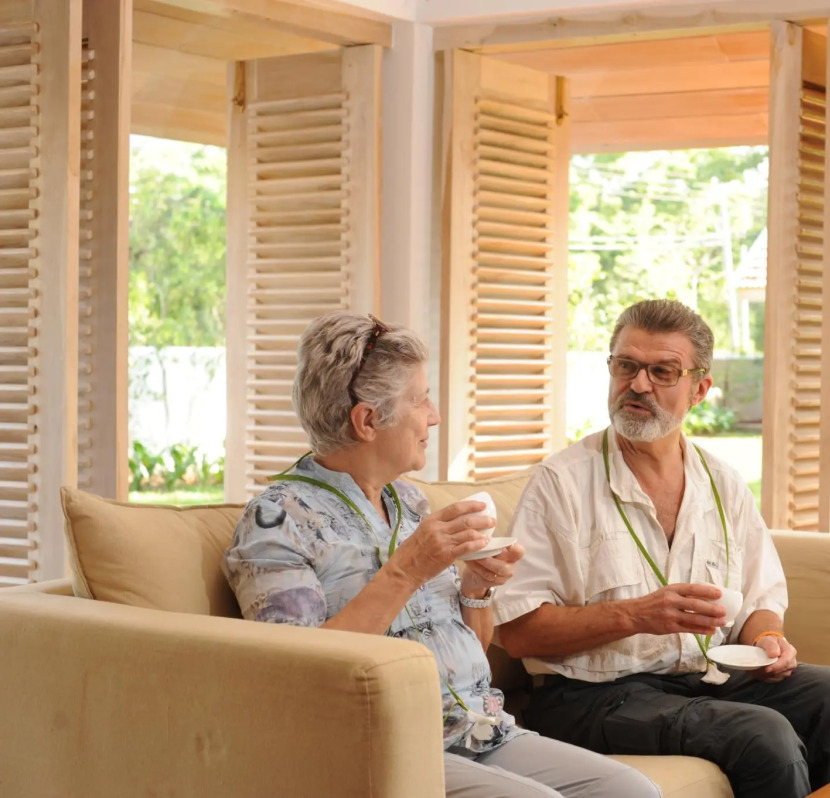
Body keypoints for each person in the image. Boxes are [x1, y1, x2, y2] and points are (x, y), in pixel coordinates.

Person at [223, 312, 660, 798]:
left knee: (631, 792)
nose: (433, 415)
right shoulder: (278, 522)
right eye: (419, 399)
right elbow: (299, 676)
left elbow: (470, 646)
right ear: (367, 420)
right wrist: (409, 568)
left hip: (477, 731)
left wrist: (476, 590)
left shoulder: (407, 503)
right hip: (377, 744)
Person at [495, 299, 830, 797]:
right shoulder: (561, 483)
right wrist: (636, 616)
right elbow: (520, 633)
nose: (637, 384)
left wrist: (767, 641)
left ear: (699, 389)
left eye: (662, 371)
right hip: (590, 695)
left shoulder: (722, 482)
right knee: (763, 736)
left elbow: (761, 598)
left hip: (705, 676)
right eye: (626, 366)